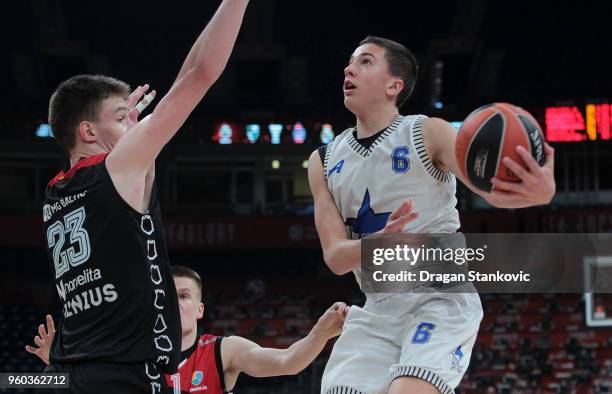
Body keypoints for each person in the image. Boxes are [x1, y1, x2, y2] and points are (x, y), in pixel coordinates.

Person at [307, 36, 555, 394]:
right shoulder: (323, 161)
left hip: (440, 297)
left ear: (395, 85)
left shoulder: (426, 132)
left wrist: (539, 193)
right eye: (350, 62)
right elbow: (335, 257)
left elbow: (492, 191)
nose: (349, 68)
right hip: (377, 308)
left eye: (364, 62)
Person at [40, 1, 250, 392]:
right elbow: (200, 75)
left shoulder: (55, 192)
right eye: (122, 118)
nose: (134, 125)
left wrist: (126, 130)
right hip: (125, 375)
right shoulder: (116, 169)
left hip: (73, 375)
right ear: (88, 132)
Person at [27, 265, 349, 394]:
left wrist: (319, 332)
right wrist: (54, 364)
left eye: (183, 296)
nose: (174, 304)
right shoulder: (130, 356)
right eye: (167, 297)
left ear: (199, 309)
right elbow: (73, 384)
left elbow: (286, 362)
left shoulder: (223, 351)